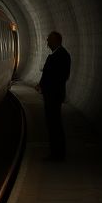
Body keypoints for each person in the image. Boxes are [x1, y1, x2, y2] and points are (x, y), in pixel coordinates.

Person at [36, 30, 71, 161]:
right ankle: (56, 153)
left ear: (56, 41)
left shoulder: (62, 56)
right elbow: (48, 74)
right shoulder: (57, 55)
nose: (47, 42)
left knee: (55, 124)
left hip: (54, 96)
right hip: (51, 95)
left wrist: (46, 86)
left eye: (49, 40)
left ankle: (58, 154)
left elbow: (60, 76)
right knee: (53, 124)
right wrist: (41, 84)